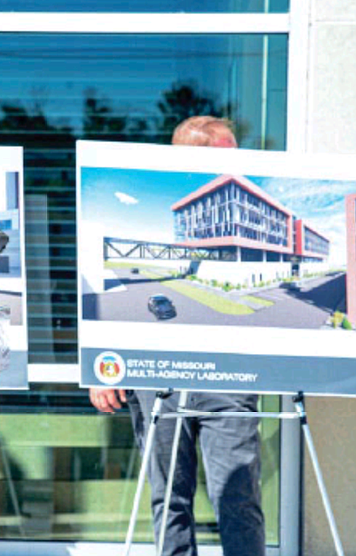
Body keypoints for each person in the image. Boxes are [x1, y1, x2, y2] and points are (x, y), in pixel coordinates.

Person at [89, 116, 265, 556]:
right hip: (158, 377)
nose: (235, 168)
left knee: (239, 499)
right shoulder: (149, 220)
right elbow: (116, 301)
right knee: (168, 500)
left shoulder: (241, 222)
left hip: (232, 376)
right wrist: (103, 368)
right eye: (227, 157)